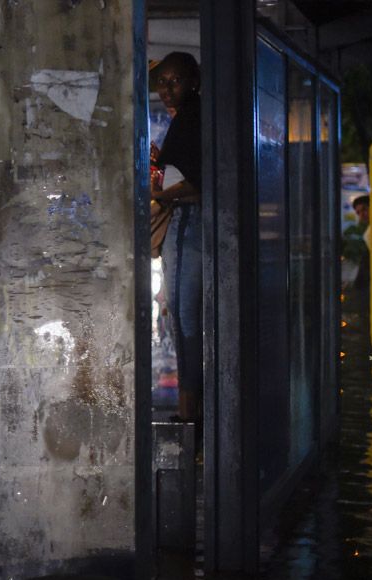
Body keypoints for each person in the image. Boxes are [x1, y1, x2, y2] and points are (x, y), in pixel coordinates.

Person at [152, 52, 202, 424]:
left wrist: (159, 194)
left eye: (176, 81)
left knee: (184, 319)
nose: (168, 90)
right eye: (162, 82)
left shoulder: (193, 120)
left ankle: (189, 416)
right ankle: (192, 413)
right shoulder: (187, 118)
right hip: (188, 225)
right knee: (183, 317)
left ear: (193, 82)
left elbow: (197, 183)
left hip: (189, 226)